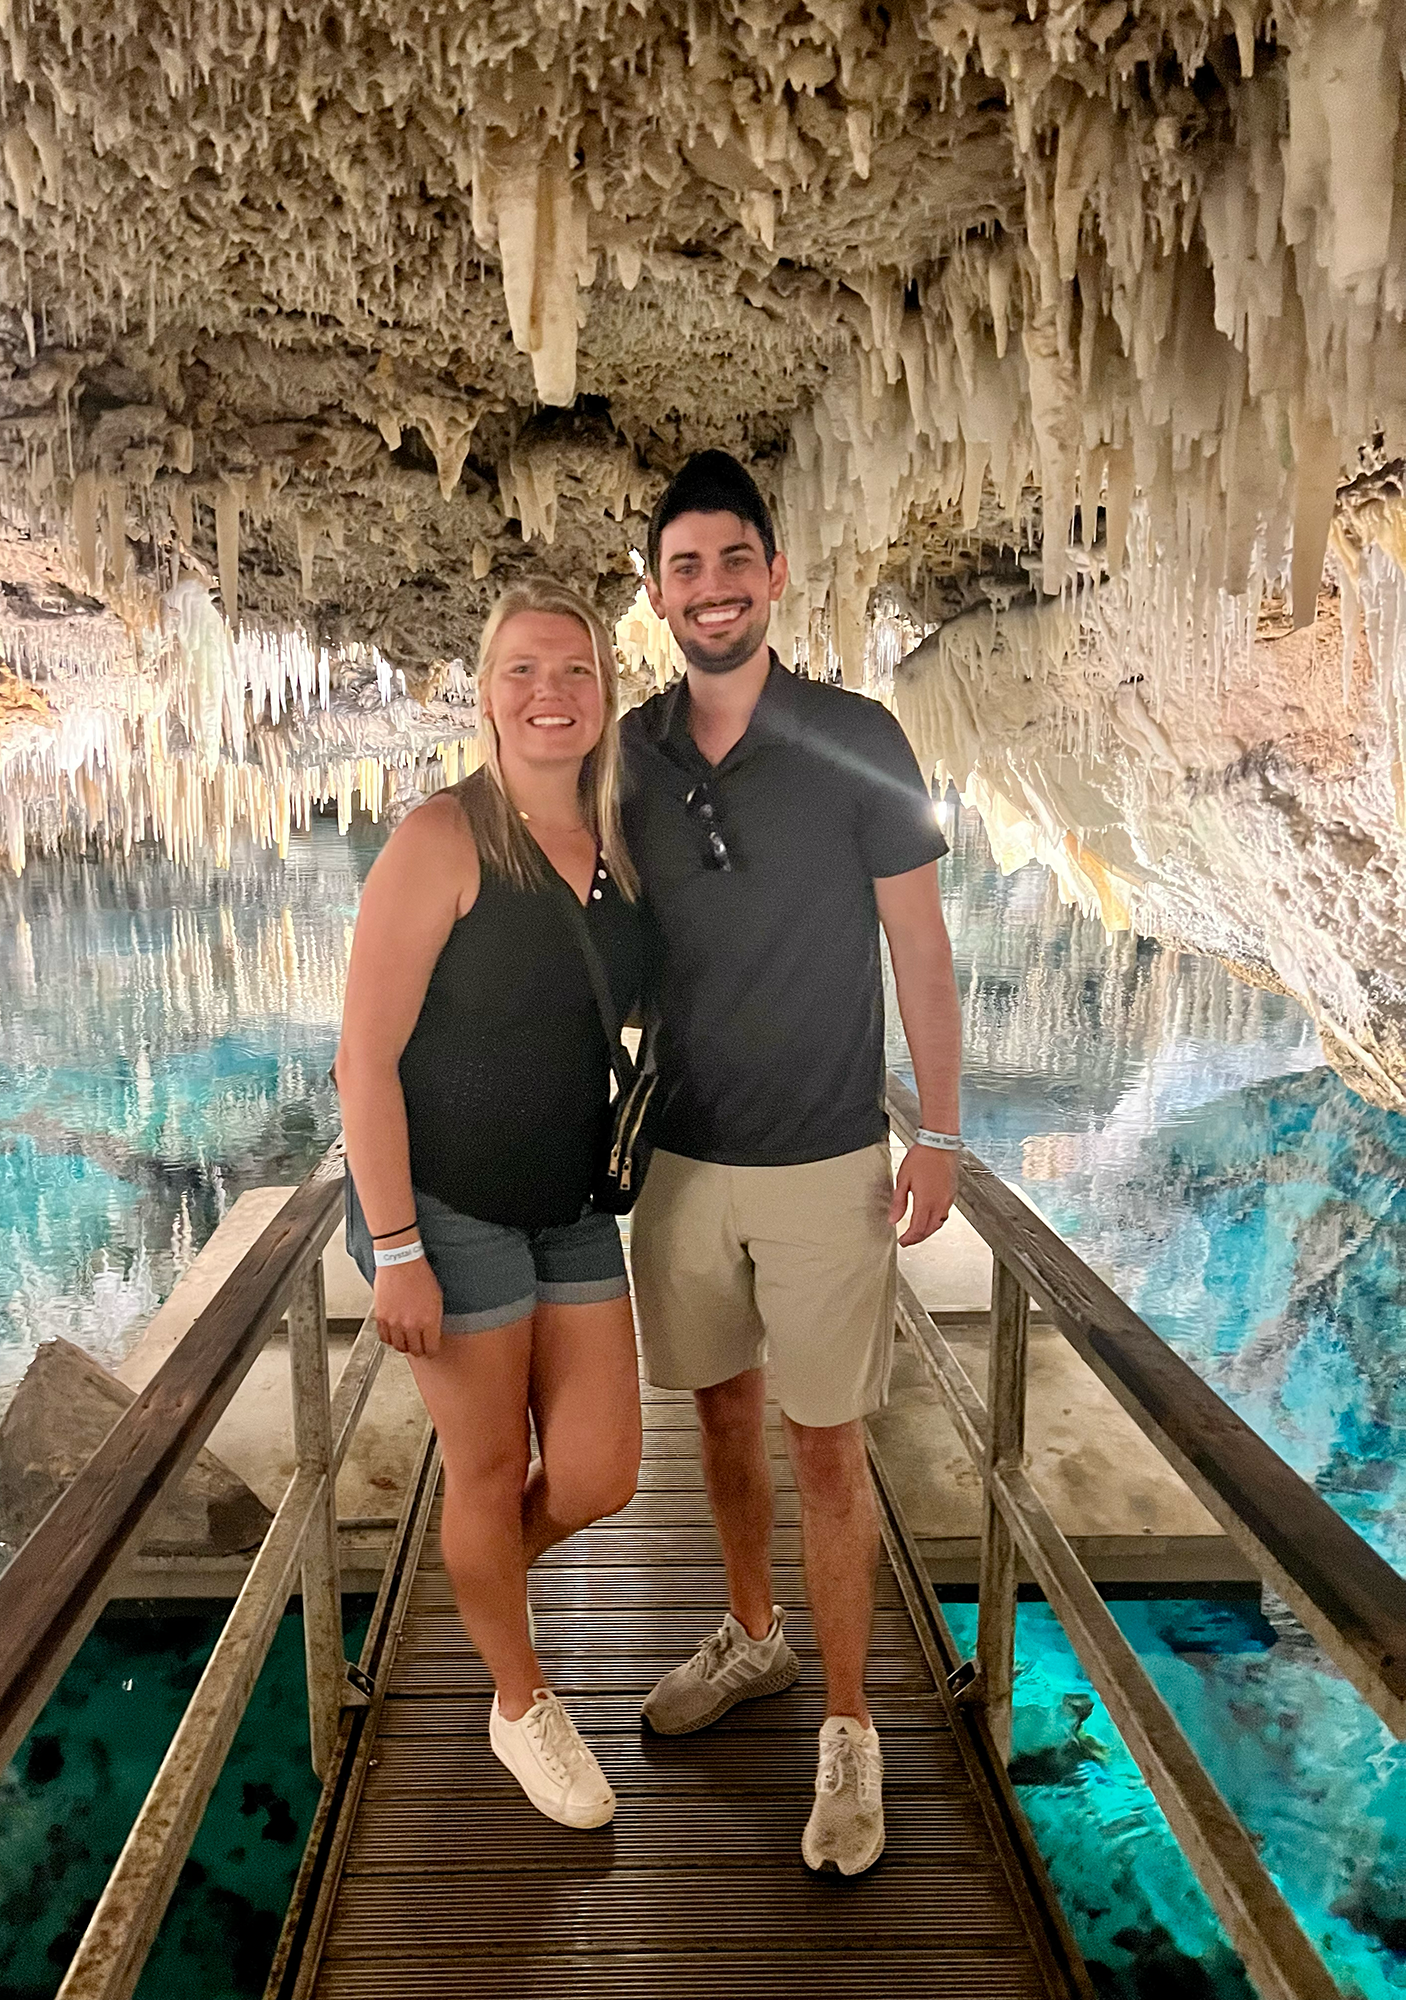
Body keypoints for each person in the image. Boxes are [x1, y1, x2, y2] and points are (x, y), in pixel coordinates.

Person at [621, 451, 963, 1875]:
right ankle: (753, 1637)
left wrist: (936, 1125)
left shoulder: (858, 737)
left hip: (828, 1157)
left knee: (829, 1449)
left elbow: (921, 947)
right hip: (681, 1162)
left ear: (775, 575)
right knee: (715, 1424)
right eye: (684, 568)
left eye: (733, 562)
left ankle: (848, 1729)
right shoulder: (626, 751)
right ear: (655, 593)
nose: (712, 590)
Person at [334, 577, 648, 1831]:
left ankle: (477, 1586)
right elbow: (364, 1056)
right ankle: (518, 1699)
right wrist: (398, 1245)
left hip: (571, 1196)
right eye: (522, 670)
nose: (549, 693)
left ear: (606, 692)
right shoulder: (442, 837)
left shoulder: (621, 841)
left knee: (602, 1470)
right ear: (485, 694)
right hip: (447, 1204)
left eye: (572, 669)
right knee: (486, 1465)